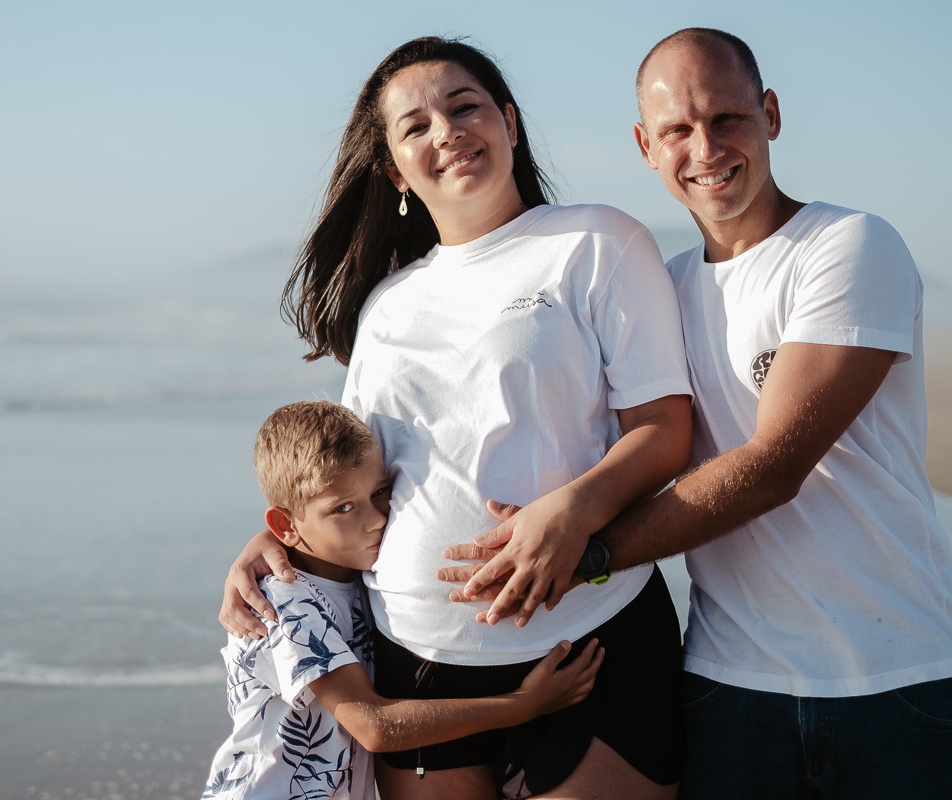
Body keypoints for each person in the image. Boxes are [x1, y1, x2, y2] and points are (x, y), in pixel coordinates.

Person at [444, 27, 952, 799]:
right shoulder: (658, 292)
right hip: (728, 690)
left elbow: (773, 469)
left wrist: (584, 555)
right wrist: (294, 548)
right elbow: (564, 432)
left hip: (894, 680)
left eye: (726, 118)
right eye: (677, 129)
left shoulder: (848, 247)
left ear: (769, 113)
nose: (705, 147)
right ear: (645, 145)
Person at [219, 37, 693, 800]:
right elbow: (357, 469)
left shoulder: (596, 242)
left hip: (586, 635)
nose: (445, 130)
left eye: (464, 106)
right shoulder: (387, 304)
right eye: (414, 126)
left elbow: (665, 427)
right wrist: (278, 542)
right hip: (415, 658)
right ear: (393, 170)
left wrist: (574, 511)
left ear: (508, 122)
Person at [202, 400, 604, 799]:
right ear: (285, 525)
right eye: (344, 508)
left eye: (380, 492)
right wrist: (521, 705)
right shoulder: (283, 604)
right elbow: (373, 726)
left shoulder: (350, 574)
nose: (376, 519)